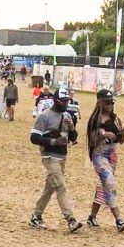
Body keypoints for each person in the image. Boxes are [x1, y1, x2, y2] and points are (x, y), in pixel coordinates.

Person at [29, 87, 83, 233]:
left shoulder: (67, 115)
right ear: (54, 100)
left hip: (62, 156)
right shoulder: (44, 116)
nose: (65, 104)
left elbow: (73, 137)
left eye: (67, 101)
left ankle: (36, 215)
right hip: (49, 155)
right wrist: (53, 142)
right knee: (60, 187)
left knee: (50, 188)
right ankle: (70, 219)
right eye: (63, 101)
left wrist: (72, 129)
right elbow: (34, 138)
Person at [85, 89, 124, 232]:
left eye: (111, 102)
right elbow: (91, 141)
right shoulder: (94, 120)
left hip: (112, 156)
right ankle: (118, 219)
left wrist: (122, 134)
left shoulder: (116, 119)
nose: (110, 105)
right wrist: (103, 134)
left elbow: (121, 141)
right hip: (99, 156)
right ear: (100, 103)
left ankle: (92, 216)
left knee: (103, 185)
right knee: (109, 183)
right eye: (107, 102)